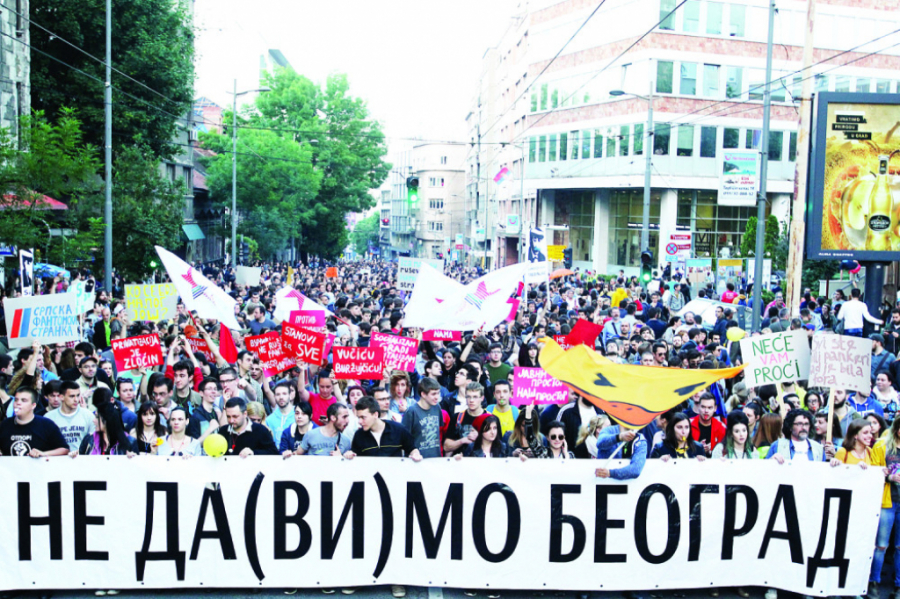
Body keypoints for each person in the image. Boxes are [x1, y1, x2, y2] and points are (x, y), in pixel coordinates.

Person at [870, 417, 900, 599]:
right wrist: (889, 478)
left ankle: (898, 586)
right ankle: (873, 582)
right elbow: (872, 472)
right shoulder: (882, 445)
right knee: (881, 545)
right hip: (886, 501)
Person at [346, 396, 421, 461]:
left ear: (375, 414)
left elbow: (412, 448)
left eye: (363, 417)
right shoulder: (359, 435)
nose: (359, 421)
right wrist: (350, 454)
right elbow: (355, 455)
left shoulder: (398, 429)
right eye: (359, 417)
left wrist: (415, 454)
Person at [0, 387, 68, 457]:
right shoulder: (5, 425)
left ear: (33, 405)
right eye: (16, 400)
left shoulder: (46, 424)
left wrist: (43, 454)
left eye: (24, 400)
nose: (18, 403)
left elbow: (64, 449)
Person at [47, 380, 96, 454]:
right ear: (61, 397)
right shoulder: (49, 417)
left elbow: (94, 442)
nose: (76, 400)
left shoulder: (88, 415)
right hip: (57, 459)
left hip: (82, 458)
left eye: (78, 395)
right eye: (72, 396)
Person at [401, 377, 445, 459]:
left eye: (438, 393)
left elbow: (439, 432)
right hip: (417, 460)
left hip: (436, 458)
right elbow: (404, 438)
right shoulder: (411, 411)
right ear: (423, 394)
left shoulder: (437, 407)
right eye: (433, 394)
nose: (437, 397)